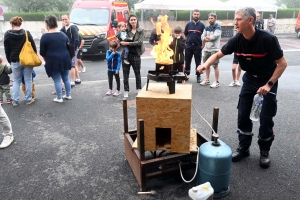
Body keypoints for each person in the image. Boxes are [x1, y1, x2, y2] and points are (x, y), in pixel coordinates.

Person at [197, 7, 287, 168]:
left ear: (250, 20)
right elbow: (218, 55)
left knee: (266, 118)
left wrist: (269, 84)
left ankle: (264, 151)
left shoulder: (268, 39)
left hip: (268, 80)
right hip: (250, 80)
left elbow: (282, 63)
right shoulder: (237, 39)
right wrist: (205, 64)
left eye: (238, 19)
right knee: (243, 114)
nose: (235, 23)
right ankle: (244, 148)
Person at [4, 16, 36, 106]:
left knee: (17, 81)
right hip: (27, 60)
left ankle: (15, 100)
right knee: (28, 79)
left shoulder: (7, 34)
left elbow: (7, 50)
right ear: (20, 23)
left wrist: (10, 60)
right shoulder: (26, 33)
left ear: (12, 24)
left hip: (15, 60)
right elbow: (33, 46)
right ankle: (29, 99)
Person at [40, 14, 72, 103]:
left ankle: (59, 97)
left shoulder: (45, 36)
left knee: (57, 80)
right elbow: (68, 46)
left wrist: (46, 59)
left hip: (53, 60)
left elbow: (42, 52)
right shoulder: (62, 34)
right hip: (65, 58)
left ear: (47, 24)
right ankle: (68, 95)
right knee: (66, 78)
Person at [119, 14, 145, 98]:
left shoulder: (141, 31)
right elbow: (120, 38)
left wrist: (127, 43)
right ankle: (126, 90)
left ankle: (138, 89)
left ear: (137, 20)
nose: (133, 21)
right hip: (126, 55)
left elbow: (139, 42)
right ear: (129, 21)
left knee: (137, 73)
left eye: (134, 19)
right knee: (125, 74)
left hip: (136, 55)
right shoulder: (126, 31)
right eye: (131, 20)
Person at [200, 13, 221, 88]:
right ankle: (207, 80)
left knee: (215, 66)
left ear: (215, 18)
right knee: (207, 65)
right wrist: (205, 38)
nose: (210, 20)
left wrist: (206, 38)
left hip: (214, 49)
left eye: (212, 18)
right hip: (207, 49)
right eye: (209, 18)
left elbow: (214, 37)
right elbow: (202, 37)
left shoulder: (218, 27)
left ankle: (217, 82)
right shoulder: (206, 27)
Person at [184, 9, 205, 83]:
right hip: (189, 46)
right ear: (192, 15)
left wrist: (202, 45)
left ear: (199, 15)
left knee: (198, 62)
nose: (196, 15)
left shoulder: (202, 25)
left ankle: (198, 76)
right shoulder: (188, 24)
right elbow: (185, 34)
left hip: (197, 47)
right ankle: (186, 75)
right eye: (195, 14)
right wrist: (186, 43)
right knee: (187, 61)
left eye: (197, 14)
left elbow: (204, 36)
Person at [60, 14, 80, 87]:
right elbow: (59, 34)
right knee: (73, 64)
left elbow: (76, 39)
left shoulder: (73, 28)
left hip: (72, 48)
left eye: (66, 19)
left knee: (72, 65)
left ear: (69, 19)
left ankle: (72, 81)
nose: (64, 21)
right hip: (67, 48)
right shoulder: (63, 28)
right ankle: (78, 79)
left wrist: (73, 50)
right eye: (63, 20)